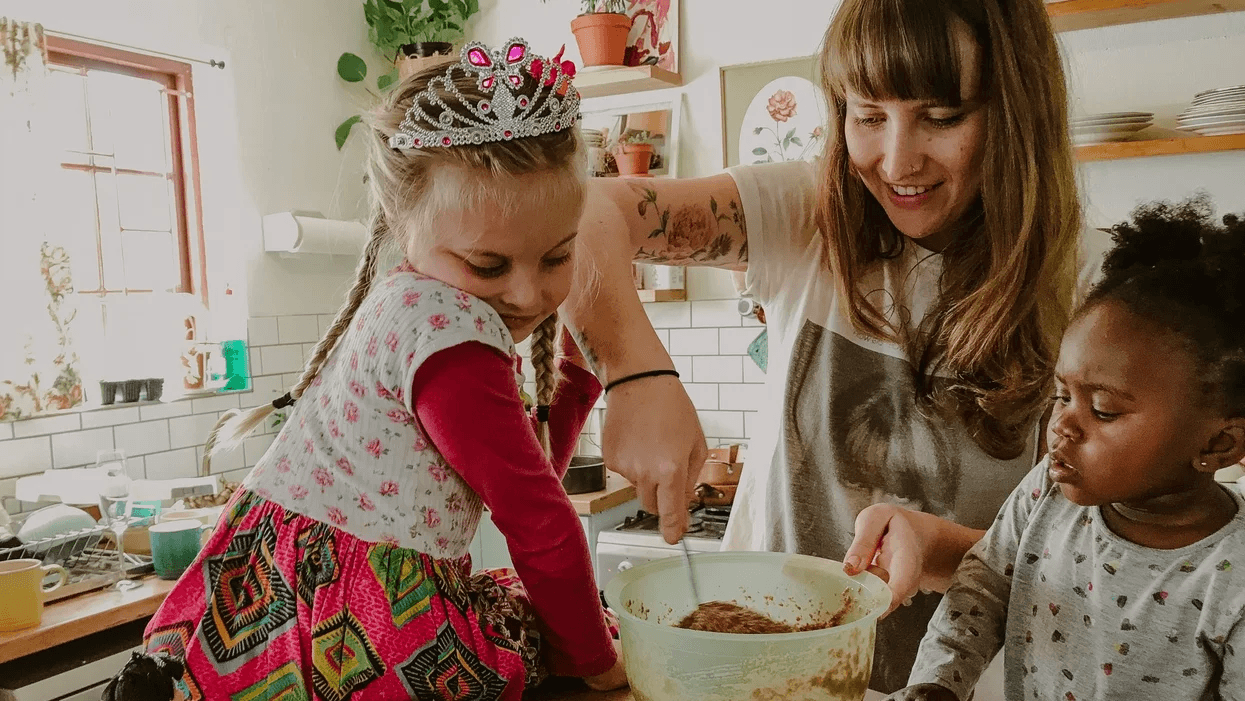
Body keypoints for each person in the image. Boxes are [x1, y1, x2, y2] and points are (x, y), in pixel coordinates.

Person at [562, 0, 1102, 691]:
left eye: (941, 116)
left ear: (1015, 111)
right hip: (758, 670)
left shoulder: (1092, 287)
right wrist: (634, 375)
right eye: (867, 115)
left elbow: (1107, 561)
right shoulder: (806, 215)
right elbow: (582, 216)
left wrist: (950, 550)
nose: (896, 161)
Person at [104, 39, 626, 700]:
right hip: (353, 623)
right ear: (403, 226)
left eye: (556, 257)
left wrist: (579, 376)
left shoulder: (412, 302)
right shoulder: (445, 331)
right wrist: (598, 666)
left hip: (271, 595)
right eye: (489, 265)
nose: (526, 293)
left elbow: (521, 482)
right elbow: (539, 521)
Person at [886, 198, 1245, 701]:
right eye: (1062, 395)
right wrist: (937, 684)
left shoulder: (1232, 574)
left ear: (1218, 443)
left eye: (1103, 410)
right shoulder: (1045, 492)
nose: (1064, 426)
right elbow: (984, 586)